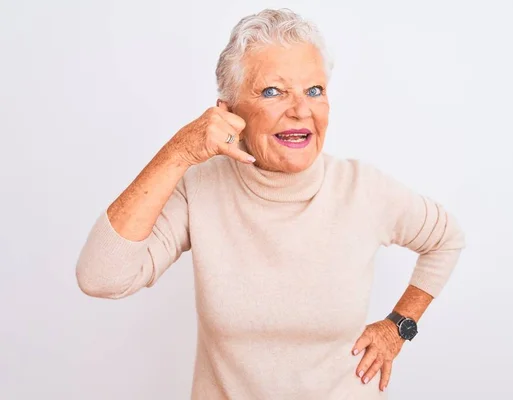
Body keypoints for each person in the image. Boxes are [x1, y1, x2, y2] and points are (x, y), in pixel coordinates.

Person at [76, 8, 466, 399]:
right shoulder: (200, 187)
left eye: (314, 91)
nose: (300, 109)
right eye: (272, 91)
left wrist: (399, 326)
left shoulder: (362, 188)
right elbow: (102, 278)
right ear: (227, 112)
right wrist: (179, 152)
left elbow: (446, 239)